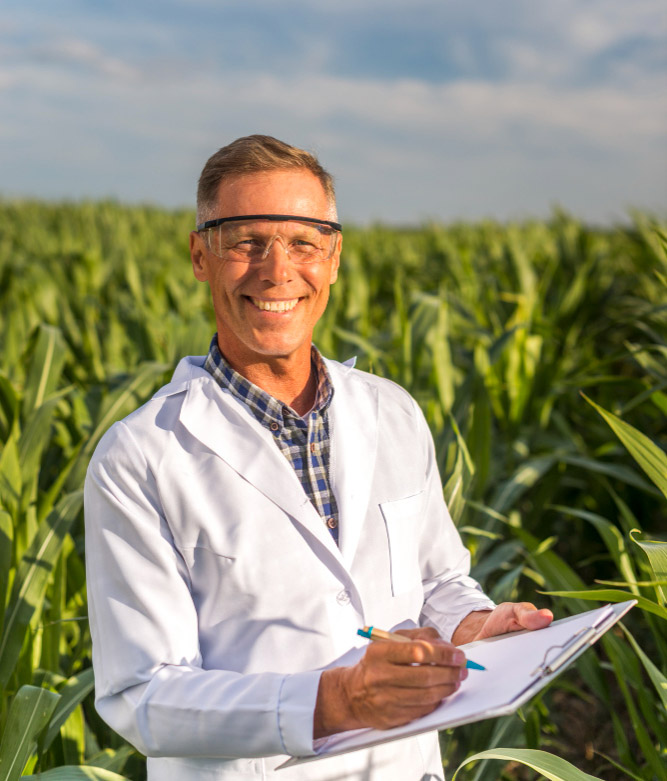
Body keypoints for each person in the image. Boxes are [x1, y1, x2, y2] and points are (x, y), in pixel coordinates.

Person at [84, 135, 552, 781]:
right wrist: (334, 701)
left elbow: (437, 580)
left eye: (303, 242)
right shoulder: (140, 456)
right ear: (201, 254)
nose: (277, 270)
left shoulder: (392, 412)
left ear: (333, 258)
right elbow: (143, 696)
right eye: (246, 240)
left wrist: (472, 625)